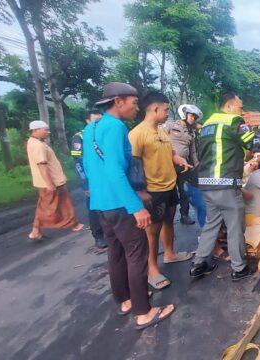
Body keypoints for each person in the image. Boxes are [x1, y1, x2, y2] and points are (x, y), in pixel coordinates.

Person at [83, 82, 174, 330]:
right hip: (120, 204)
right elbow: (115, 169)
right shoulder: (115, 127)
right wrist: (136, 206)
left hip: (101, 204)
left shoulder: (92, 127)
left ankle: (124, 300)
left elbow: (91, 167)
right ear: (119, 101)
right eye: (134, 103)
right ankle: (143, 312)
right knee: (137, 255)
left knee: (116, 253)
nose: (137, 107)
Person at [129, 92, 192, 290]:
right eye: (165, 109)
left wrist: (179, 159)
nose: (167, 113)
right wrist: (140, 191)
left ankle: (170, 253)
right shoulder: (137, 134)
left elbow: (170, 152)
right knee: (152, 231)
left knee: (168, 221)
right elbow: (133, 165)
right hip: (152, 190)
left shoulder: (161, 131)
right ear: (155, 109)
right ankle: (152, 269)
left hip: (169, 185)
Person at [190, 93, 256, 281]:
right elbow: (254, 142)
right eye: (240, 106)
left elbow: (225, 149)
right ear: (228, 106)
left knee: (212, 224)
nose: (242, 111)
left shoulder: (208, 124)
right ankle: (239, 268)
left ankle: (199, 264)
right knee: (235, 226)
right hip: (226, 184)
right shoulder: (234, 120)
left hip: (206, 184)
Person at [26, 120, 86, 240]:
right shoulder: (37, 145)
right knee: (60, 205)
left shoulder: (36, 142)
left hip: (50, 181)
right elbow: (42, 165)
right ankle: (75, 224)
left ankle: (35, 230)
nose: (48, 132)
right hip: (51, 182)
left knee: (46, 205)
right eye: (45, 130)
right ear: (36, 130)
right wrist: (49, 183)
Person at [71, 110, 107, 249]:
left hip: (107, 178)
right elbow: (78, 162)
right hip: (92, 180)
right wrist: (85, 185)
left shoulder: (104, 135)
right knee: (94, 208)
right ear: (87, 121)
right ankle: (98, 236)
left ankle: (111, 233)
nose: (99, 124)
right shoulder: (80, 137)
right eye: (95, 121)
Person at [166, 104, 206, 227]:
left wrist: (196, 165)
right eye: (190, 115)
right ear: (184, 113)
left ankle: (184, 215)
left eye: (194, 116)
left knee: (184, 192)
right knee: (168, 190)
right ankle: (166, 216)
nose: (192, 118)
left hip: (185, 166)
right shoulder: (170, 125)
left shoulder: (191, 132)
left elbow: (193, 151)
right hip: (168, 164)